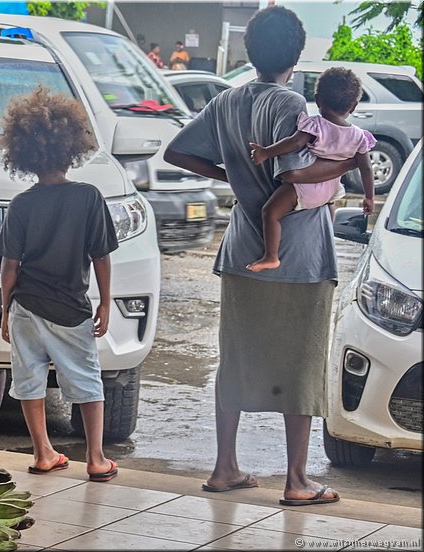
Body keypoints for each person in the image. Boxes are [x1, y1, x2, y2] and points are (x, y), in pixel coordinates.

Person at [164, 6, 354, 506]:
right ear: (296, 54)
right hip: (301, 257)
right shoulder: (292, 102)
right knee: (301, 363)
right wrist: (336, 180)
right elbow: (294, 175)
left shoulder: (228, 101)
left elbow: (176, 152)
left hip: (242, 251)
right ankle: (297, 481)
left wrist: (234, 176)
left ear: (249, 51)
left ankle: (225, 467)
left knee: (236, 361)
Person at [0, 85, 120, 483]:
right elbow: (101, 256)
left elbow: (10, 266)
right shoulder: (88, 198)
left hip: (26, 307)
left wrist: (5, 311)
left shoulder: (22, 204)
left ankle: (43, 453)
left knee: (28, 378)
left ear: (24, 154)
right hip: (69, 307)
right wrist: (105, 303)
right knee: (86, 379)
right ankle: (97, 460)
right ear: (71, 149)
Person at [247, 67, 376, 272]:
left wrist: (266, 152)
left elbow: (294, 143)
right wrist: (369, 197)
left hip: (303, 187)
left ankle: (271, 256)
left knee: (270, 212)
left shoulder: (316, 126)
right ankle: (327, 237)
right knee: (328, 208)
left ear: (317, 100)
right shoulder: (360, 136)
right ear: (353, 107)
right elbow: (367, 169)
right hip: (331, 191)